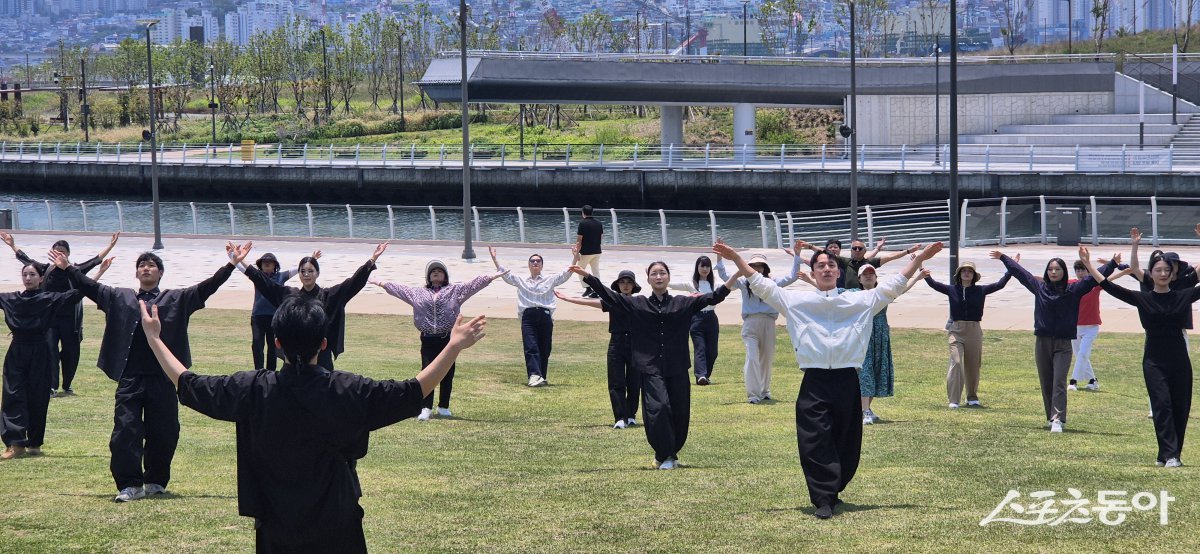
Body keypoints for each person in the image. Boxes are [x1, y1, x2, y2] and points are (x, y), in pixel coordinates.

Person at [138, 294, 487, 551]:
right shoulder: (348, 390)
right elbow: (415, 391)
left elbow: (188, 383)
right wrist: (453, 346)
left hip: (276, 529)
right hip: (338, 525)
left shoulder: (253, 389)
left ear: (276, 345)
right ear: (324, 343)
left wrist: (155, 339)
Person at [714, 240, 942, 519]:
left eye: (831, 265)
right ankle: (823, 497)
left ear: (837, 271)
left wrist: (919, 260)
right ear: (813, 271)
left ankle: (834, 487)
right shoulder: (797, 301)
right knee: (814, 440)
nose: (826, 268)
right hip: (815, 380)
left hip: (848, 379)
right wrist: (737, 257)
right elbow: (763, 286)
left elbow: (893, 285)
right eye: (820, 265)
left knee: (846, 440)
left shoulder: (860, 301)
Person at [56, 243, 250, 502]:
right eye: (141, 266)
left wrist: (231, 265)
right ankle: (130, 484)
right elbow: (88, 286)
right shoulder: (120, 297)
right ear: (136, 274)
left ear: (160, 273)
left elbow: (208, 286)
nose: (146, 268)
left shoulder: (176, 299)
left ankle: (156, 480)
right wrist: (68, 268)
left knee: (165, 431)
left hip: (164, 377)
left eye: (152, 265)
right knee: (125, 430)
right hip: (130, 378)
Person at [571, 259, 734, 469]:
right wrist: (588, 277)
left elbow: (714, 296)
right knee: (658, 409)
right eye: (654, 274)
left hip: (677, 366)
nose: (658, 277)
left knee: (680, 412)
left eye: (662, 273)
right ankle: (666, 454)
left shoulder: (683, 302)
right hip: (650, 368)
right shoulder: (637, 303)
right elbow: (609, 295)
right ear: (648, 279)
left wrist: (736, 276)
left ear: (668, 277)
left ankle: (667, 454)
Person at [1080, 246, 1197, 468]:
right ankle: (1171, 454)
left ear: (1172, 275)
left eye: (1166, 271)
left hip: (1180, 360)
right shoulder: (1142, 298)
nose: (1163, 274)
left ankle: (1168, 455)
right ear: (1150, 274)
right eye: (1158, 270)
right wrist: (1088, 265)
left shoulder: (1183, 296)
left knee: (1181, 407)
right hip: (1154, 360)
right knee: (1162, 405)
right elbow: (1108, 286)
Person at [992, 249, 1119, 433]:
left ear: (1063, 272)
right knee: (1046, 381)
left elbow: (1093, 279)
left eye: (1057, 269)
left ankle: (1058, 419)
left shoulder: (1073, 290)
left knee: (1059, 380)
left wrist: (1113, 263)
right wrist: (1004, 258)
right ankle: (1051, 417)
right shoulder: (1039, 287)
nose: (1053, 272)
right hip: (1042, 341)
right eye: (1050, 269)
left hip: (1063, 343)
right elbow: (1022, 274)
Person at [1, 251, 108, 460]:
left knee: (38, 396)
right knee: (13, 394)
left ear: (41, 279)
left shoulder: (48, 299)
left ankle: (34, 442)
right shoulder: (11, 299)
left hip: (40, 351)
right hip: (17, 351)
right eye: (25, 274)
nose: (28, 278)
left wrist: (98, 274)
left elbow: (78, 293)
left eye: (32, 274)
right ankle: (14, 443)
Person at [371, 259, 506, 421]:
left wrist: (492, 276)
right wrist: (380, 282)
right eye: (433, 271)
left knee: (447, 372)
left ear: (445, 276)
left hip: (448, 339)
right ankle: (426, 407)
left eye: (440, 271)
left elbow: (473, 284)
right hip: (428, 339)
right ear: (429, 276)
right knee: (427, 371)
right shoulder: (418, 293)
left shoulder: (454, 291)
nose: (436, 272)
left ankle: (443, 407)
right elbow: (399, 289)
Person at [1, 231, 119, 396]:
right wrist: (12, 244)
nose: (59, 255)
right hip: (49, 318)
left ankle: (67, 384)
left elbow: (95, 261)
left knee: (71, 352)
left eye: (62, 252)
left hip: (70, 319)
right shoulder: (44, 269)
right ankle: (52, 386)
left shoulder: (74, 270)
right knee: (51, 351)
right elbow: (26, 260)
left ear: (68, 254)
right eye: (56, 252)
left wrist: (110, 246)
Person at [242, 243, 387, 372]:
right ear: (298, 273)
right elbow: (265, 284)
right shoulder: (290, 296)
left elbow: (352, 283)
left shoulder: (329, 296)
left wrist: (372, 260)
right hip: (294, 358)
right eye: (302, 271)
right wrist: (242, 261)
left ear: (317, 273)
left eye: (310, 271)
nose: (306, 275)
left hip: (321, 358)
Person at [716, 247, 806, 403]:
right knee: (752, 357)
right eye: (754, 265)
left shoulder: (772, 282)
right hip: (750, 322)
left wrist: (796, 256)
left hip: (769, 322)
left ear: (765, 267)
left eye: (760, 265)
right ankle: (753, 394)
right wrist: (719, 258)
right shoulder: (744, 282)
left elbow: (792, 277)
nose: (757, 268)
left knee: (766, 358)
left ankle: (764, 391)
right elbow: (725, 277)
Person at [556, 269, 643, 429]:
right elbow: (591, 301)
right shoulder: (613, 301)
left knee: (634, 381)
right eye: (622, 282)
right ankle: (620, 417)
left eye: (628, 282)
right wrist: (568, 298)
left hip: (635, 344)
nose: (625, 285)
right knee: (616, 381)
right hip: (616, 343)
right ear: (618, 285)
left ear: (633, 286)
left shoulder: (638, 303)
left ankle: (631, 415)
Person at [923, 258, 1013, 409]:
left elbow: (1000, 284)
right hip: (956, 330)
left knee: (973, 365)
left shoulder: (980, 290)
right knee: (956, 362)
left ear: (974, 275)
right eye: (964, 270)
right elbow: (933, 284)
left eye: (970, 271)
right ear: (959, 274)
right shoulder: (952, 290)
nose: (967, 273)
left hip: (974, 330)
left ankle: (972, 397)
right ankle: (954, 399)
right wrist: (921, 267)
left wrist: (1010, 267)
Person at [490, 246, 578, 387]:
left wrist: (575, 256)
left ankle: (541, 376)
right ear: (529, 264)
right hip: (528, 316)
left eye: (538, 261)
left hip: (545, 315)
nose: (535, 263)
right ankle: (534, 375)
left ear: (542, 265)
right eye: (532, 261)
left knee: (545, 348)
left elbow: (566, 274)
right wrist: (495, 259)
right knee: (531, 346)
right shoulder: (521, 280)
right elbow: (506, 275)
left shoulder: (550, 279)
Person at [858, 264, 929, 425]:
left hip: (881, 335)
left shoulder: (882, 293)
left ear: (876, 278)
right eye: (865, 274)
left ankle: (865, 409)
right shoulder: (855, 294)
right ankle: (864, 411)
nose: (868, 276)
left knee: (877, 370)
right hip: (864, 336)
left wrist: (917, 278)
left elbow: (901, 289)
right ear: (859, 279)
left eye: (871, 273)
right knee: (865, 372)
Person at [230, 250, 319, 371]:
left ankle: (271, 372)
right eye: (264, 262)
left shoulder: (280, 276)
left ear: (275, 265)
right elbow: (241, 267)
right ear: (260, 265)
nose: (266, 264)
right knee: (257, 343)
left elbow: (297, 270)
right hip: (258, 316)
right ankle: (258, 371)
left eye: (269, 262)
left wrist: (312, 259)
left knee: (273, 346)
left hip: (274, 316)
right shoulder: (258, 276)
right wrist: (232, 256)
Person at [668, 256, 721, 385]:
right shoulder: (691, 284)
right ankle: (700, 375)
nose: (705, 269)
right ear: (697, 267)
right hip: (696, 319)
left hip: (711, 319)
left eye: (707, 266)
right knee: (700, 348)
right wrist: (656, 277)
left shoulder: (715, 284)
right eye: (702, 266)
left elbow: (731, 286)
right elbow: (671, 285)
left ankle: (705, 375)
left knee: (713, 352)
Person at [802, 237, 920, 290]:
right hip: (848, 296)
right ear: (851, 250)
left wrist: (908, 251)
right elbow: (825, 253)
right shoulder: (845, 261)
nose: (857, 250)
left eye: (860, 248)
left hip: (866, 296)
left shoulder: (869, 262)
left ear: (865, 251)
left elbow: (889, 257)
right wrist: (809, 247)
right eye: (854, 248)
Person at [1069, 260, 1103, 392]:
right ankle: (1093, 381)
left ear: (1088, 271)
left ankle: (1073, 381)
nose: (1080, 273)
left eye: (1082, 270)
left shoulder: (1095, 285)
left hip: (1091, 327)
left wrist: (1122, 269)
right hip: (1074, 326)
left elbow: (1108, 278)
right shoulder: (1072, 284)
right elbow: (1046, 280)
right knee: (1080, 356)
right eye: (1077, 270)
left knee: (1083, 353)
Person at [575, 205, 604, 298]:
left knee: (579, 269)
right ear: (592, 212)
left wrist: (576, 250)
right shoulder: (599, 223)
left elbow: (579, 239)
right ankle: (598, 290)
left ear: (583, 213)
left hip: (586, 252)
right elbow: (601, 237)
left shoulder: (582, 223)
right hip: (597, 251)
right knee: (595, 271)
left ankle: (587, 288)